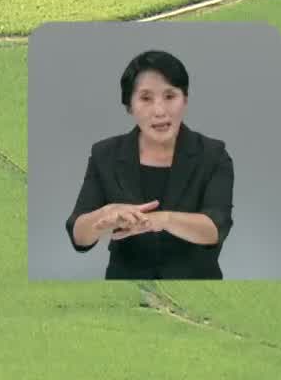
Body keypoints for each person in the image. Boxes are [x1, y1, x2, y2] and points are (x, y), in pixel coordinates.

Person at [66, 49, 234, 279]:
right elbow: (79, 236)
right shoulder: (105, 154)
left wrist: (161, 220)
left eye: (170, 96)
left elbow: (216, 228)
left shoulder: (213, 155)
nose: (159, 111)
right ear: (129, 106)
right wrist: (107, 214)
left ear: (185, 99)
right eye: (146, 98)